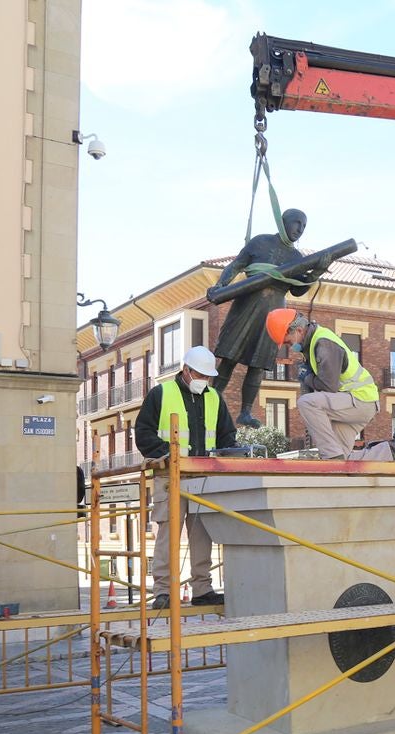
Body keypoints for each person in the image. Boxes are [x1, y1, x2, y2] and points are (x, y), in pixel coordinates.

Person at [134, 345, 236, 609]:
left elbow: (227, 436)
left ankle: (202, 589)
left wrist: (225, 458)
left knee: (202, 535)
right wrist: (168, 454)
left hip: (202, 476)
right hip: (170, 474)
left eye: (207, 377)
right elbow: (143, 433)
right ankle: (163, 592)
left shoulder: (215, 398)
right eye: (199, 375)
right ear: (186, 371)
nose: (203, 380)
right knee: (168, 533)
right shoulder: (161, 393)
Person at [210, 208, 316, 428]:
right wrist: (220, 285)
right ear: (282, 222)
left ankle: (246, 411)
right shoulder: (260, 243)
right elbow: (236, 265)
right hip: (247, 303)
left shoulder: (297, 258)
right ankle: (212, 398)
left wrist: (315, 274)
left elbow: (297, 291)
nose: (300, 229)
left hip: (275, 312)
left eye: (304, 226)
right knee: (229, 356)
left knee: (259, 363)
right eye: (297, 223)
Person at [265, 309, 380, 459]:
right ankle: (392, 452)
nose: (289, 347)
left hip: (360, 400)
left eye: (288, 342)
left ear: (299, 330)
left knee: (307, 403)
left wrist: (307, 377)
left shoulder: (324, 344)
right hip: (358, 403)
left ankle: (331, 457)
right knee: (342, 459)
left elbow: (328, 386)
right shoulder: (313, 344)